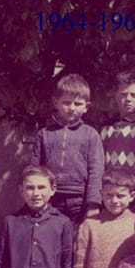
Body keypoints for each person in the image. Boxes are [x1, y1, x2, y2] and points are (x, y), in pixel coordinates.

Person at [31, 73, 104, 224]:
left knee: (77, 236)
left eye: (77, 104)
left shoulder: (91, 134)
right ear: (56, 103)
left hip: (79, 199)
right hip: (50, 197)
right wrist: (34, 194)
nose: (72, 108)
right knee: (49, 233)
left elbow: (96, 171)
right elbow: (35, 169)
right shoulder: (44, 134)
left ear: (86, 107)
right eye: (66, 103)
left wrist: (93, 203)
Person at [100, 70, 135, 211]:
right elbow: (99, 164)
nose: (128, 99)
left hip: (132, 198)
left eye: (134, 95)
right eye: (123, 94)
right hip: (108, 197)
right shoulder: (107, 126)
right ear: (116, 96)